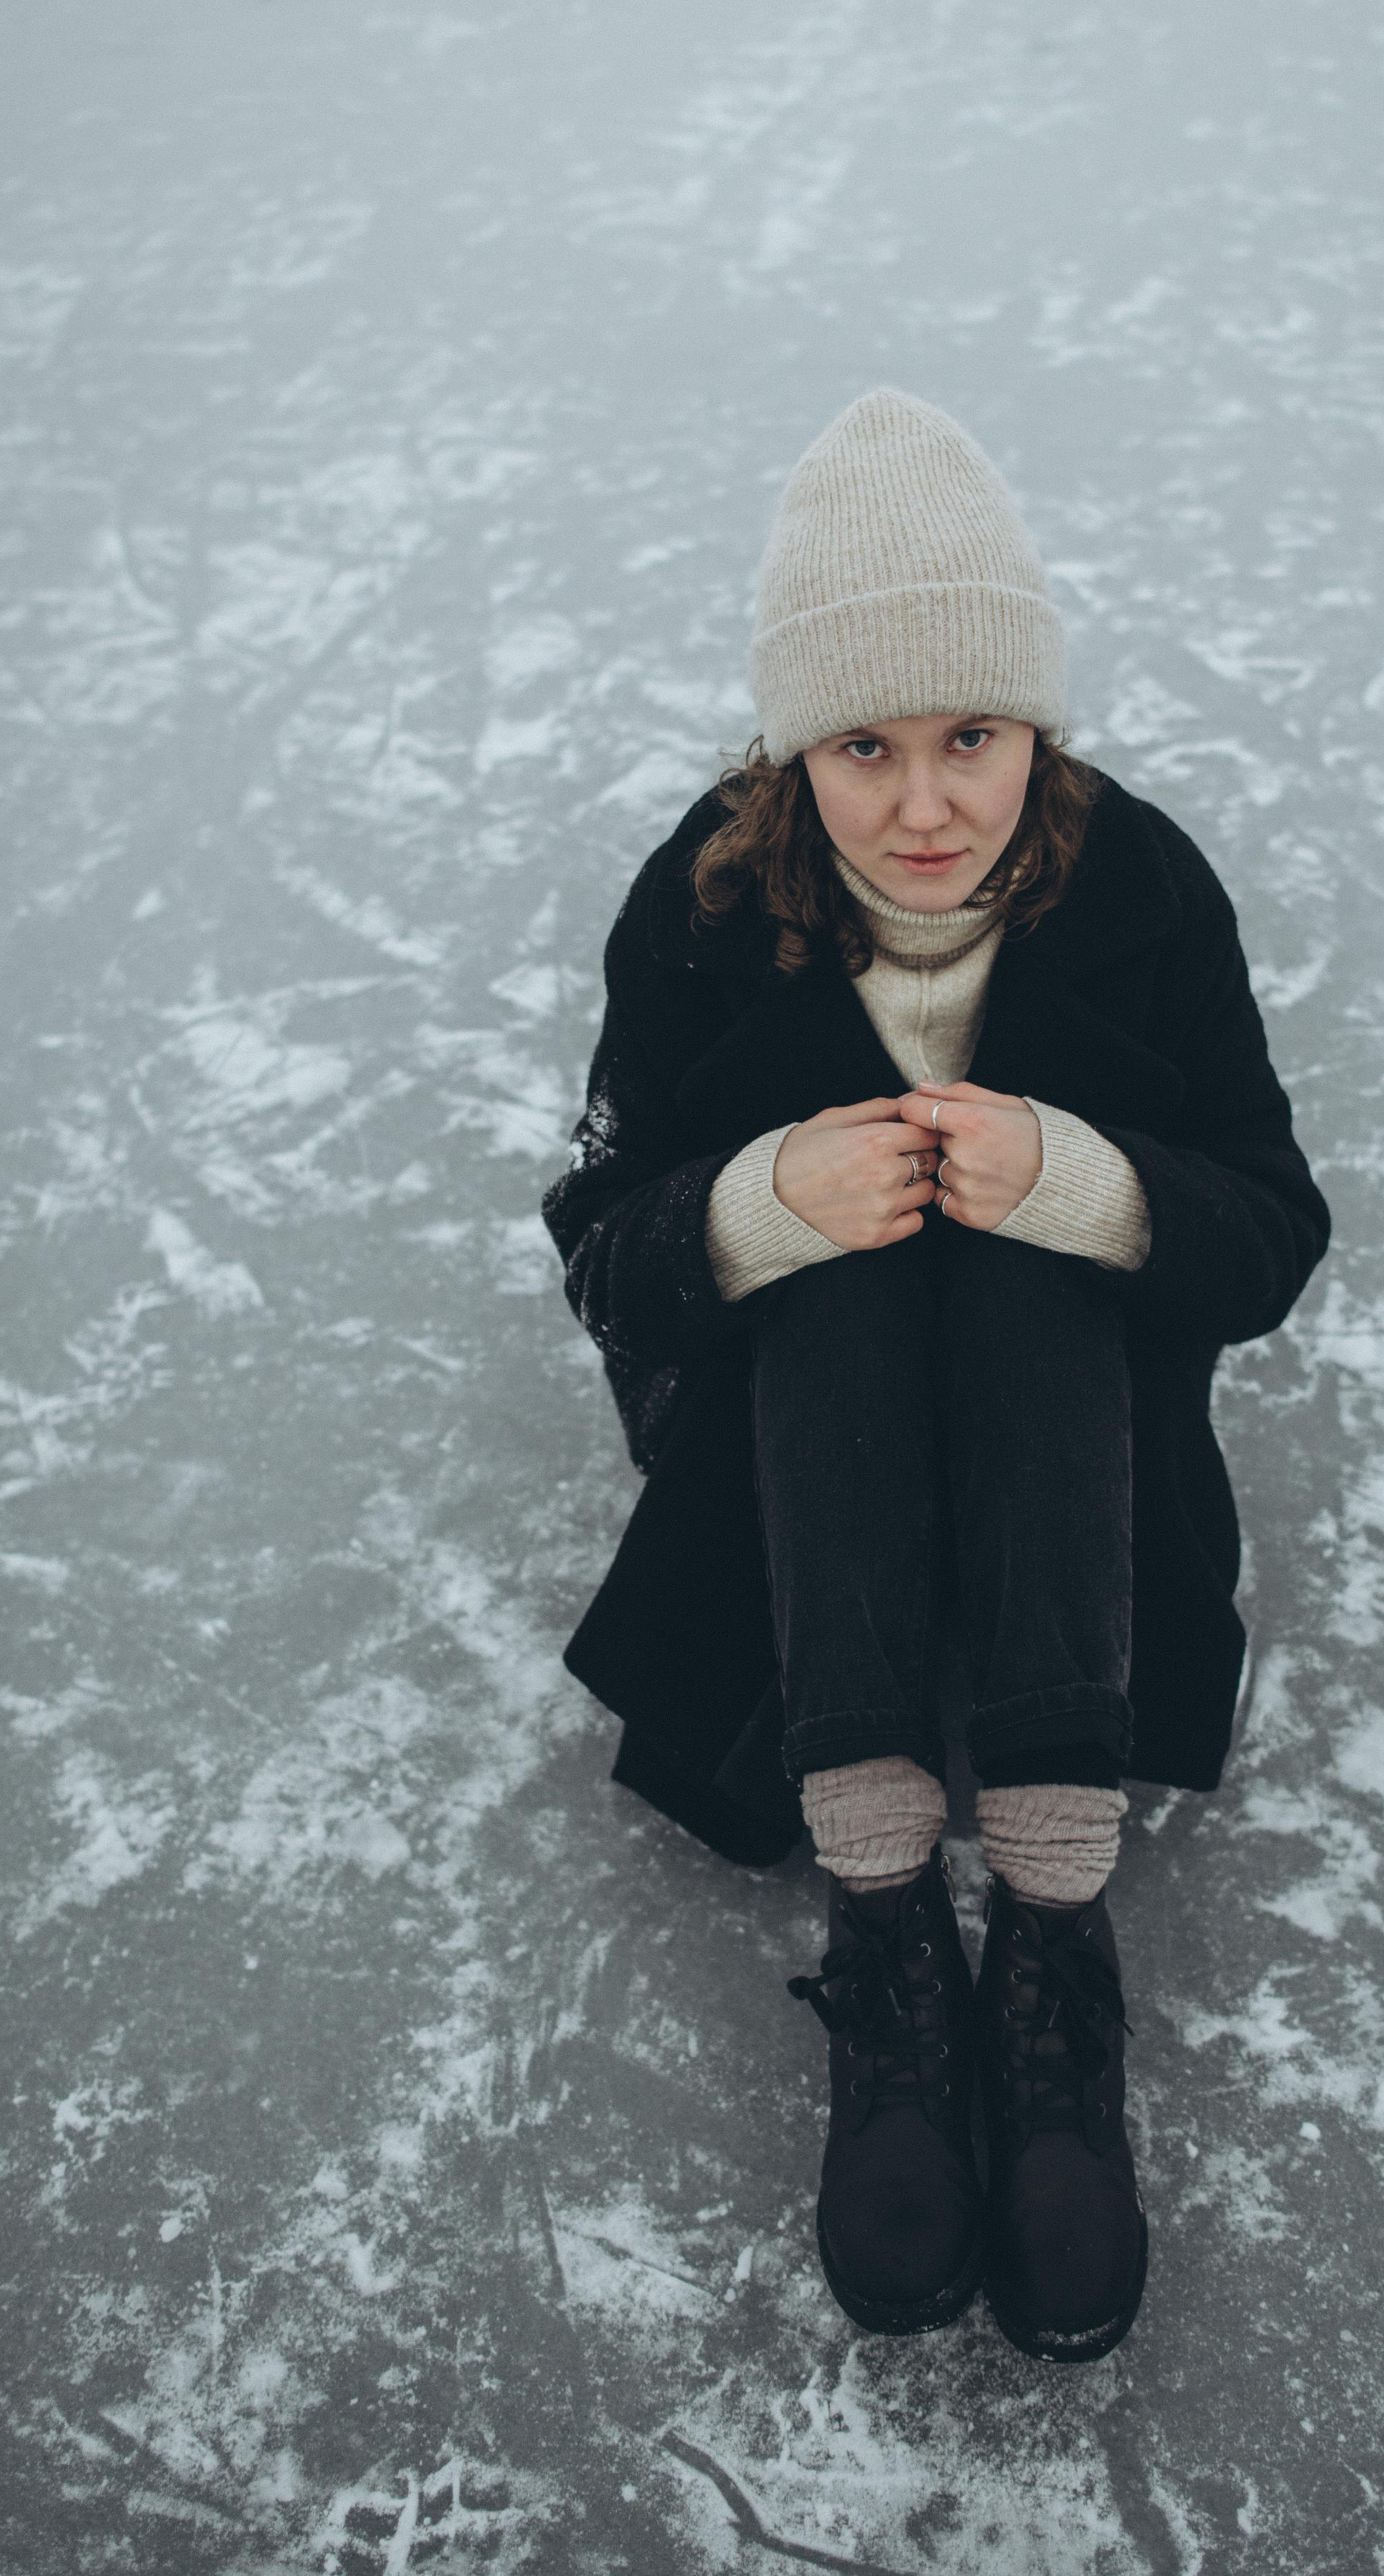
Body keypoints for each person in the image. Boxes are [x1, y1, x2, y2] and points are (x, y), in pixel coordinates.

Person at [541, 388, 1329, 2363]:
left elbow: (1268, 1230)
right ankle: (889, 1928)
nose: (921, 802)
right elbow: (601, 1248)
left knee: (1027, 1245)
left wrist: (1085, 1182)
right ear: (794, 746)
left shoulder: (1142, 897)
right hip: (792, 1501)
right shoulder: (704, 910)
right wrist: (749, 1205)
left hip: (1086, 1474)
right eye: (863, 745)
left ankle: (1052, 1948)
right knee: (840, 1252)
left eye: (968, 734)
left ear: (1032, 729)